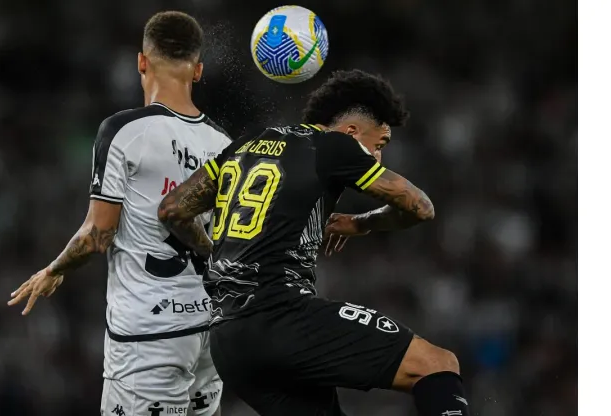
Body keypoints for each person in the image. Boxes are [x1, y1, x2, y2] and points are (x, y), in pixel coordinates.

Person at [157, 69, 471, 416]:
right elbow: (420, 207)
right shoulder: (333, 145)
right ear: (352, 132)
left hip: (229, 342)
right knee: (437, 363)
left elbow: (172, 210)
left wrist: (217, 257)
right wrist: (360, 223)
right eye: (379, 145)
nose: (378, 157)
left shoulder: (244, 147)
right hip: (281, 315)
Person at [8, 11, 229, 416]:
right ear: (197, 71)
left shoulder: (125, 130)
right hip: (208, 332)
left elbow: (98, 234)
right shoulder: (224, 144)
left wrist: (53, 269)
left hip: (148, 334)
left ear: (141, 62)